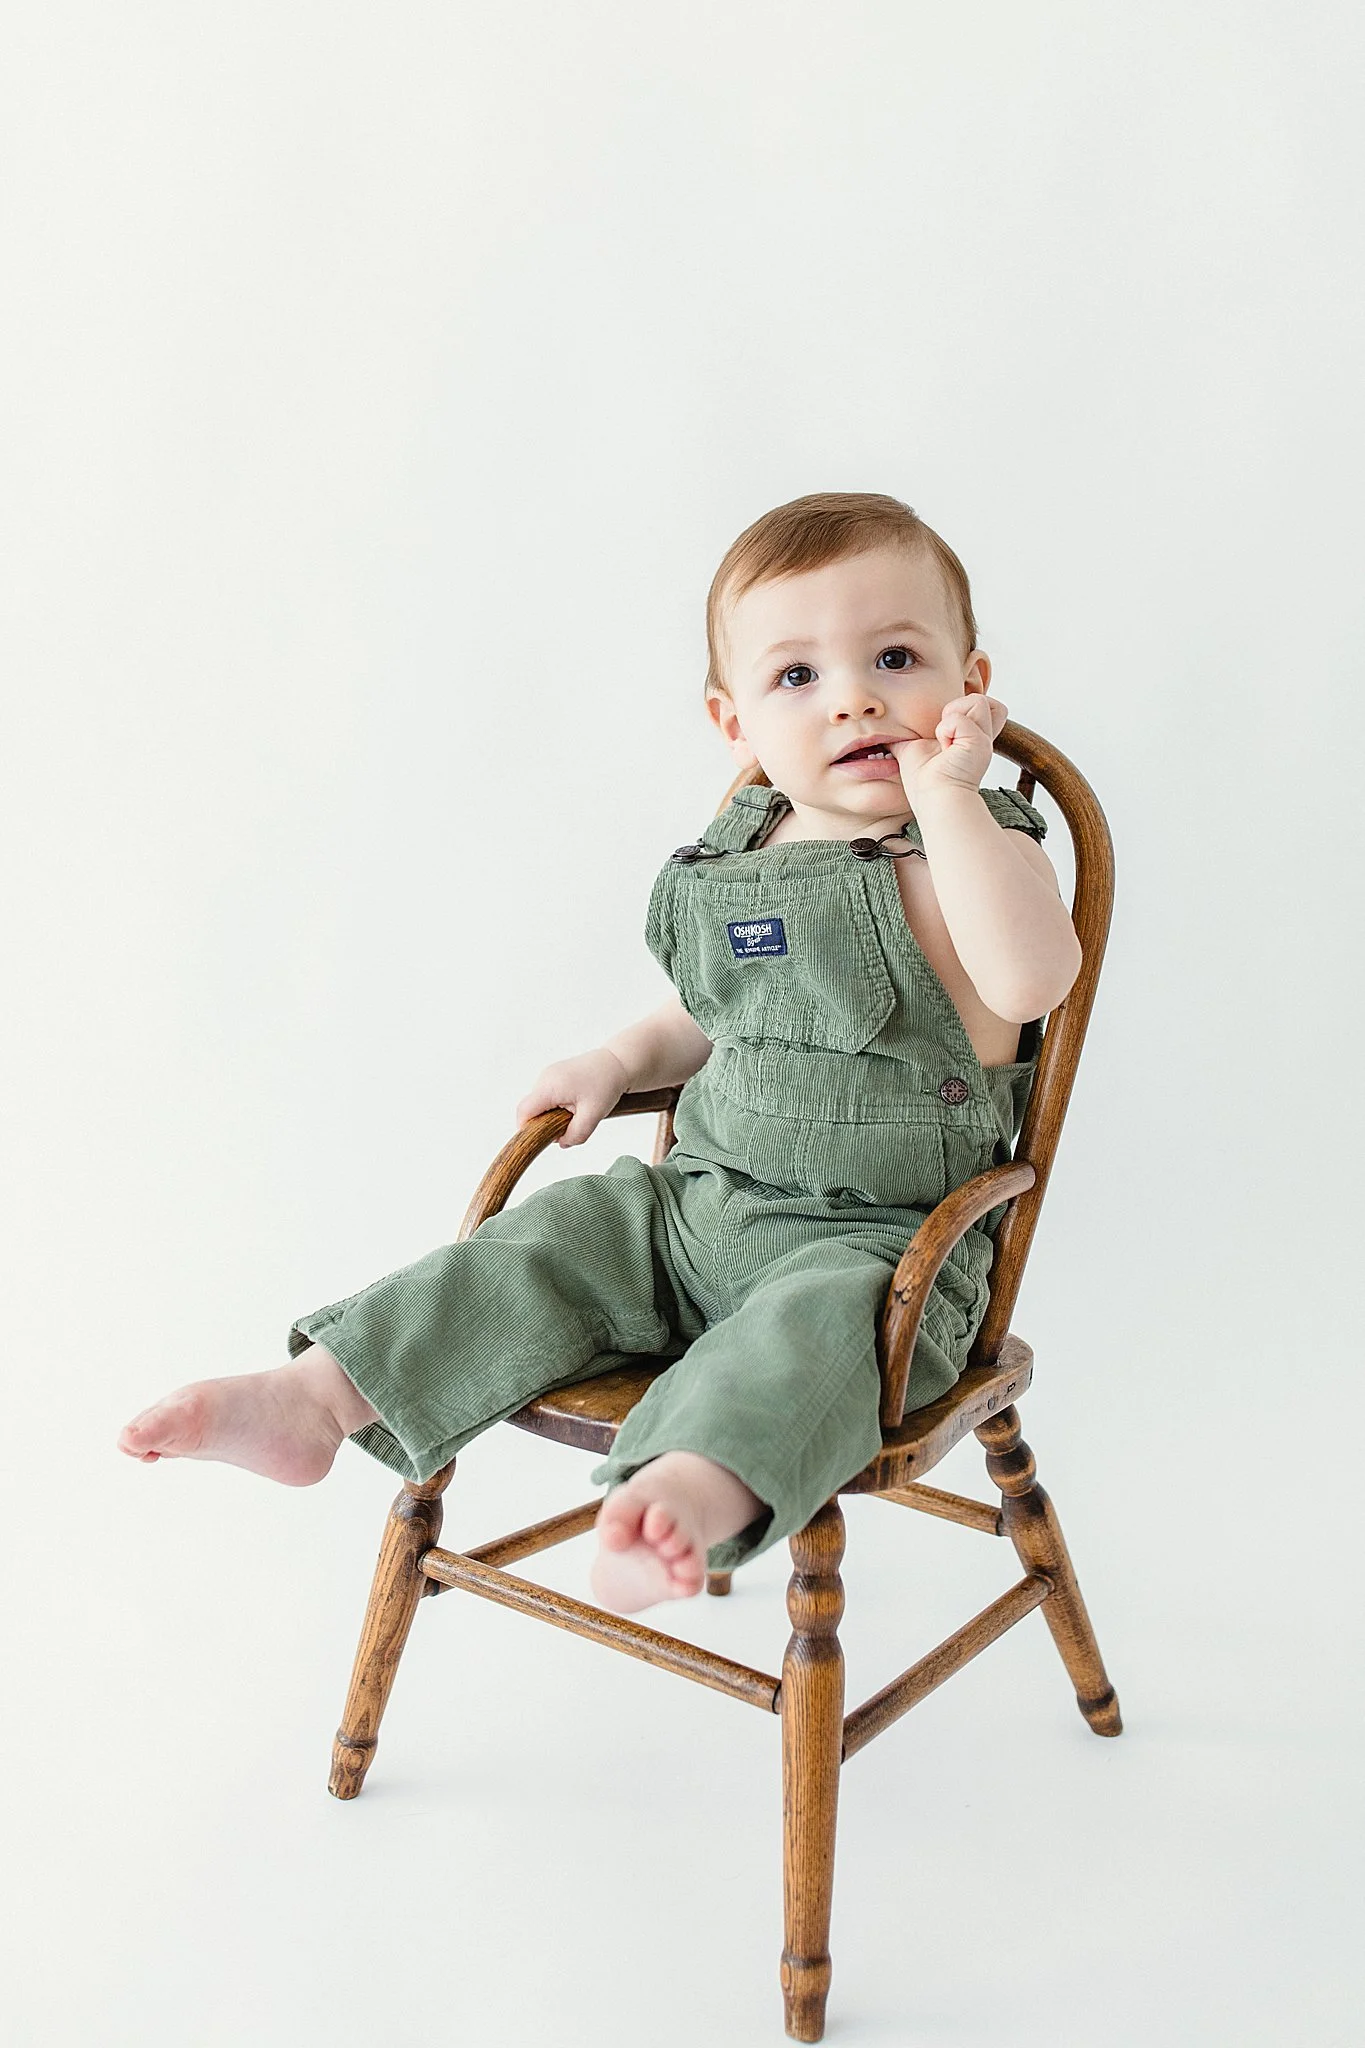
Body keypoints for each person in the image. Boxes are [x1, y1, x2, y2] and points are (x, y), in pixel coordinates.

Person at [117, 490, 1082, 1615]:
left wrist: (956, 798)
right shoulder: (748, 845)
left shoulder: (979, 843)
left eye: (898, 657)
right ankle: (320, 1393)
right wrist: (622, 1059)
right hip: (695, 1209)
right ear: (737, 726)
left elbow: (1028, 980)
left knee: (803, 1339)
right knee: (550, 1239)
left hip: (883, 1254)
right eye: (798, 677)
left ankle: (685, 1490)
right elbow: (719, 1014)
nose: (856, 697)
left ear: (970, 684)